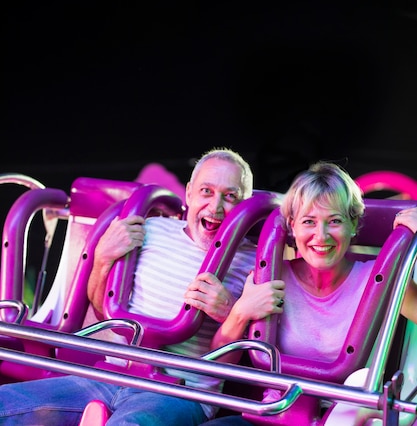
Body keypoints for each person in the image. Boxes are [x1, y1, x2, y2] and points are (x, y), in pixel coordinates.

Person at [0, 147, 258, 425]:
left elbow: (252, 357)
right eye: (206, 191)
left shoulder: (253, 262)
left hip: (179, 392)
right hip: (110, 376)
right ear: (189, 193)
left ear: (245, 204)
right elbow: (103, 310)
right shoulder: (152, 230)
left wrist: (231, 312)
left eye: (230, 196)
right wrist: (102, 259)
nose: (216, 207)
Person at [202, 161, 417, 426]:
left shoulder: (381, 279)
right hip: (273, 415)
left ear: (353, 224)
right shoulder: (268, 275)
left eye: (335, 221)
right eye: (309, 221)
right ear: (292, 227)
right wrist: (240, 313)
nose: (321, 235)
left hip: (346, 419)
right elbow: (219, 366)